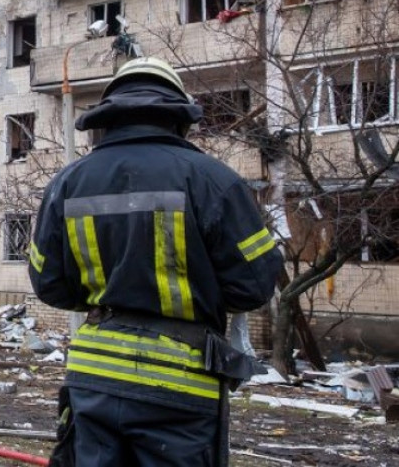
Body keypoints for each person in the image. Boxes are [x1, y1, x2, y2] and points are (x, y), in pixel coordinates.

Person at [28, 57, 283, 466]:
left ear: (106, 120)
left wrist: (112, 296)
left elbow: (49, 284)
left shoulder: (67, 183)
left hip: (93, 379)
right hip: (180, 388)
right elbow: (253, 285)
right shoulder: (213, 179)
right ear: (180, 120)